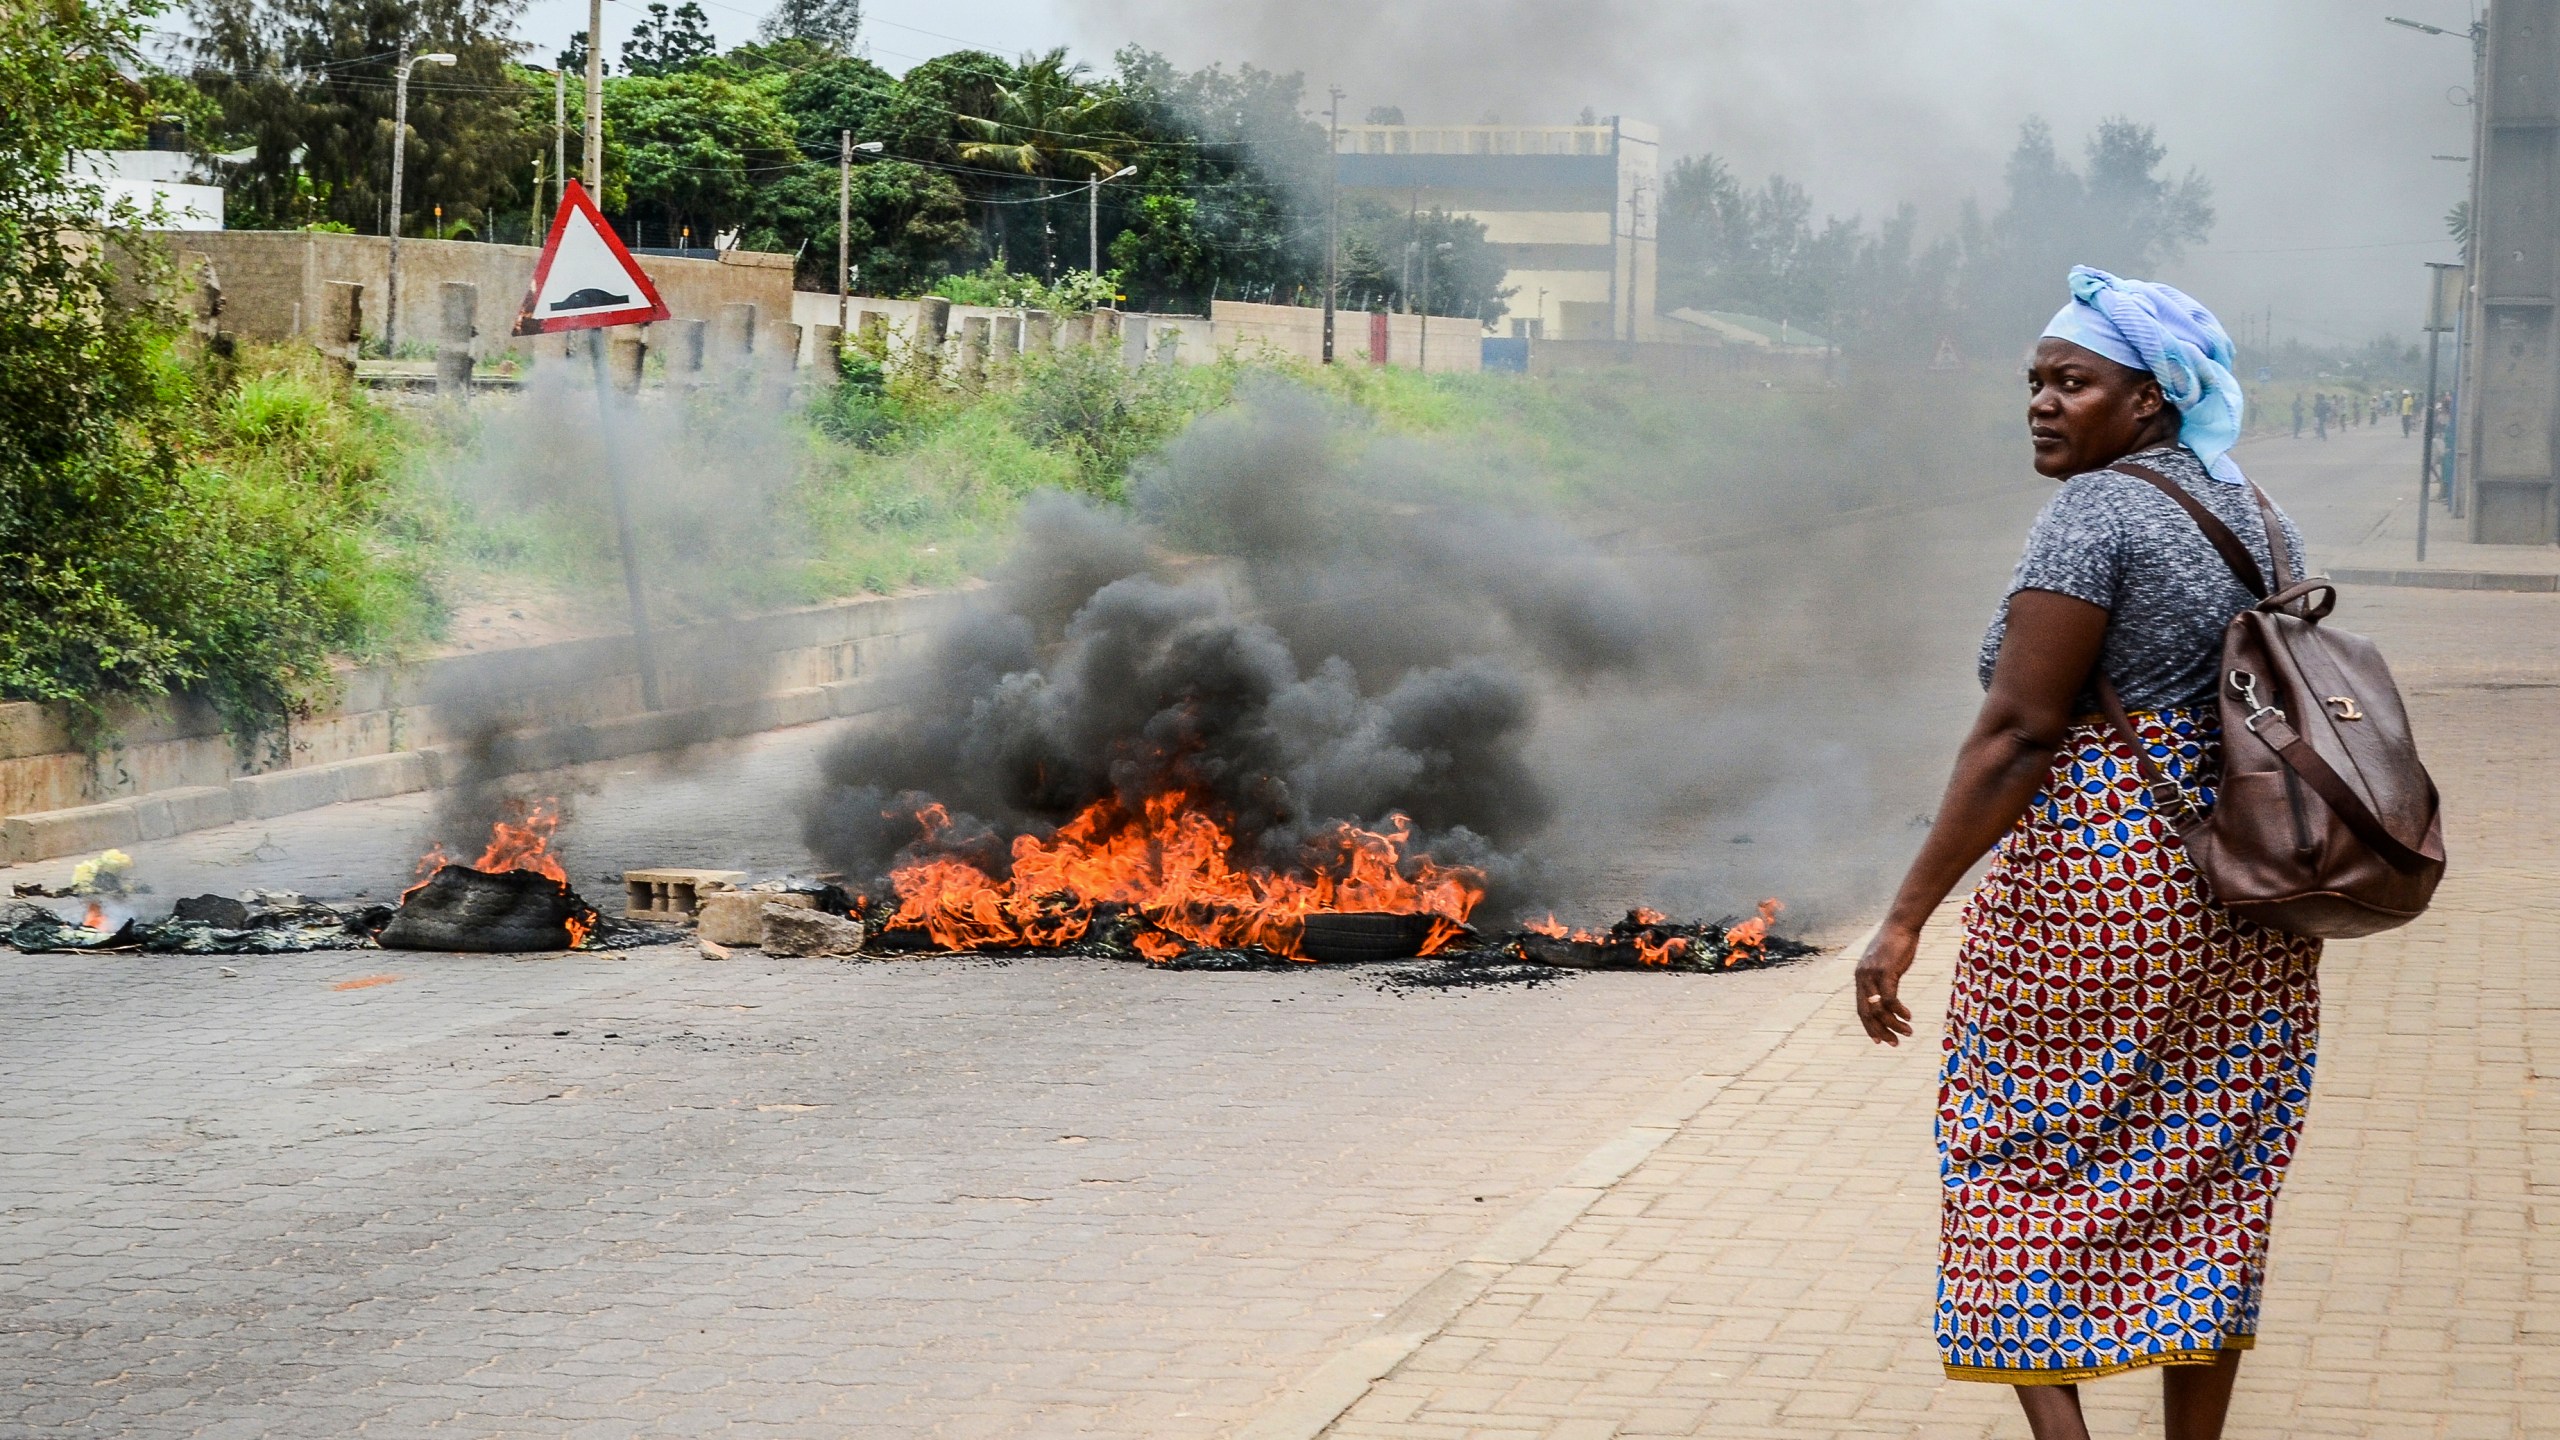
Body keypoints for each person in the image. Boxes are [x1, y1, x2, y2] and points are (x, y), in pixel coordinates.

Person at [1855, 264, 2320, 1440]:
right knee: (2209, 1176)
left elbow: (2017, 733)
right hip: (2251, 888)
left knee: (2004, 1152)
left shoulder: (2095, 514)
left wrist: (1904, 915)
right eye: (2034, 382)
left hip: (2100, 888)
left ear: (2151, 399)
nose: (2043, 402)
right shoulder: (2261, 514)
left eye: (2073, 381)